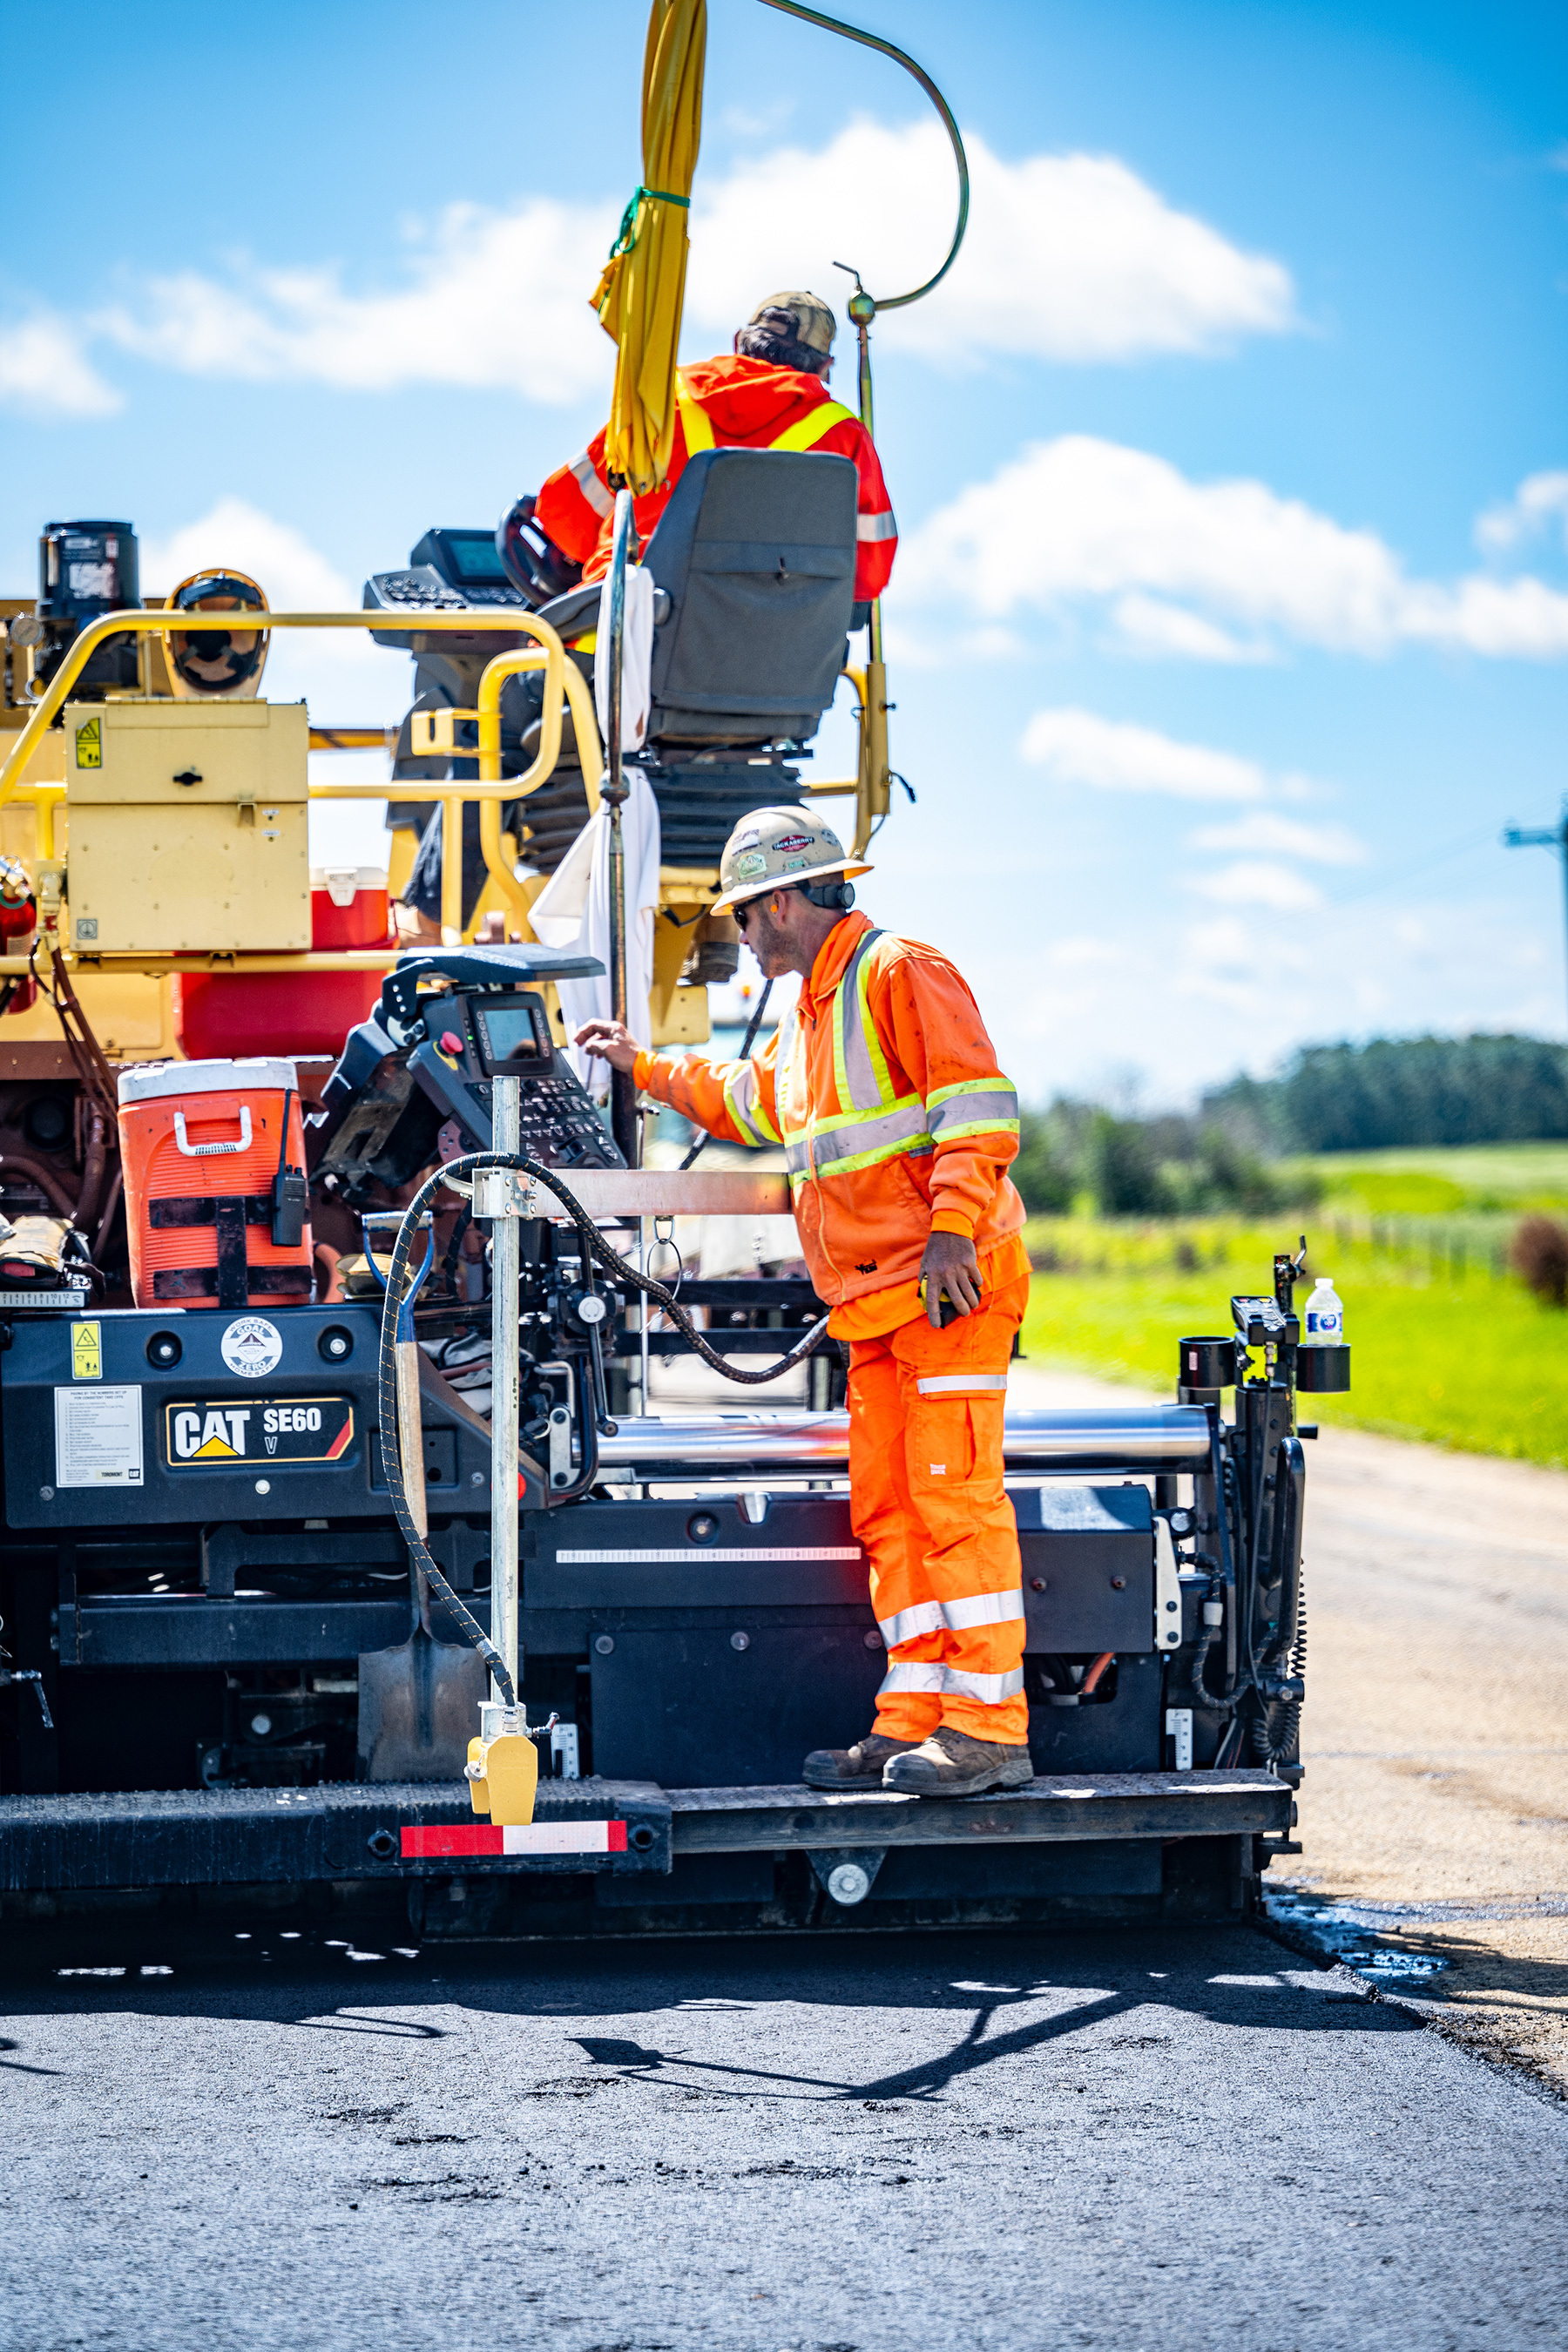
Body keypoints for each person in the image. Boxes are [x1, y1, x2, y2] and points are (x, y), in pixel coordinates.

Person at [574, 808, 1032, 1798]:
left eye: (746, 916)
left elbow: (979, 1110)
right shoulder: (812, 1018)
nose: (741, 936)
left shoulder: (899, 970)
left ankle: (990, 1729)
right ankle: (915, 1717)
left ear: (785, 901)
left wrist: (953, 1227)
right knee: (892, 1510)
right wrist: (642, 1068)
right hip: (879, 1303)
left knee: (951, 1501)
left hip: (944, 1288)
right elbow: (750, 1100)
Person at [535, 292, 897, 610]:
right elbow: (869, 573)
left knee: (518, 678)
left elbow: (564, 517)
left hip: (624, 651)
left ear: (739, 341)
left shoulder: (660, 401)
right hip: (771, 667)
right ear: (824, 368)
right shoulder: (844, 435)